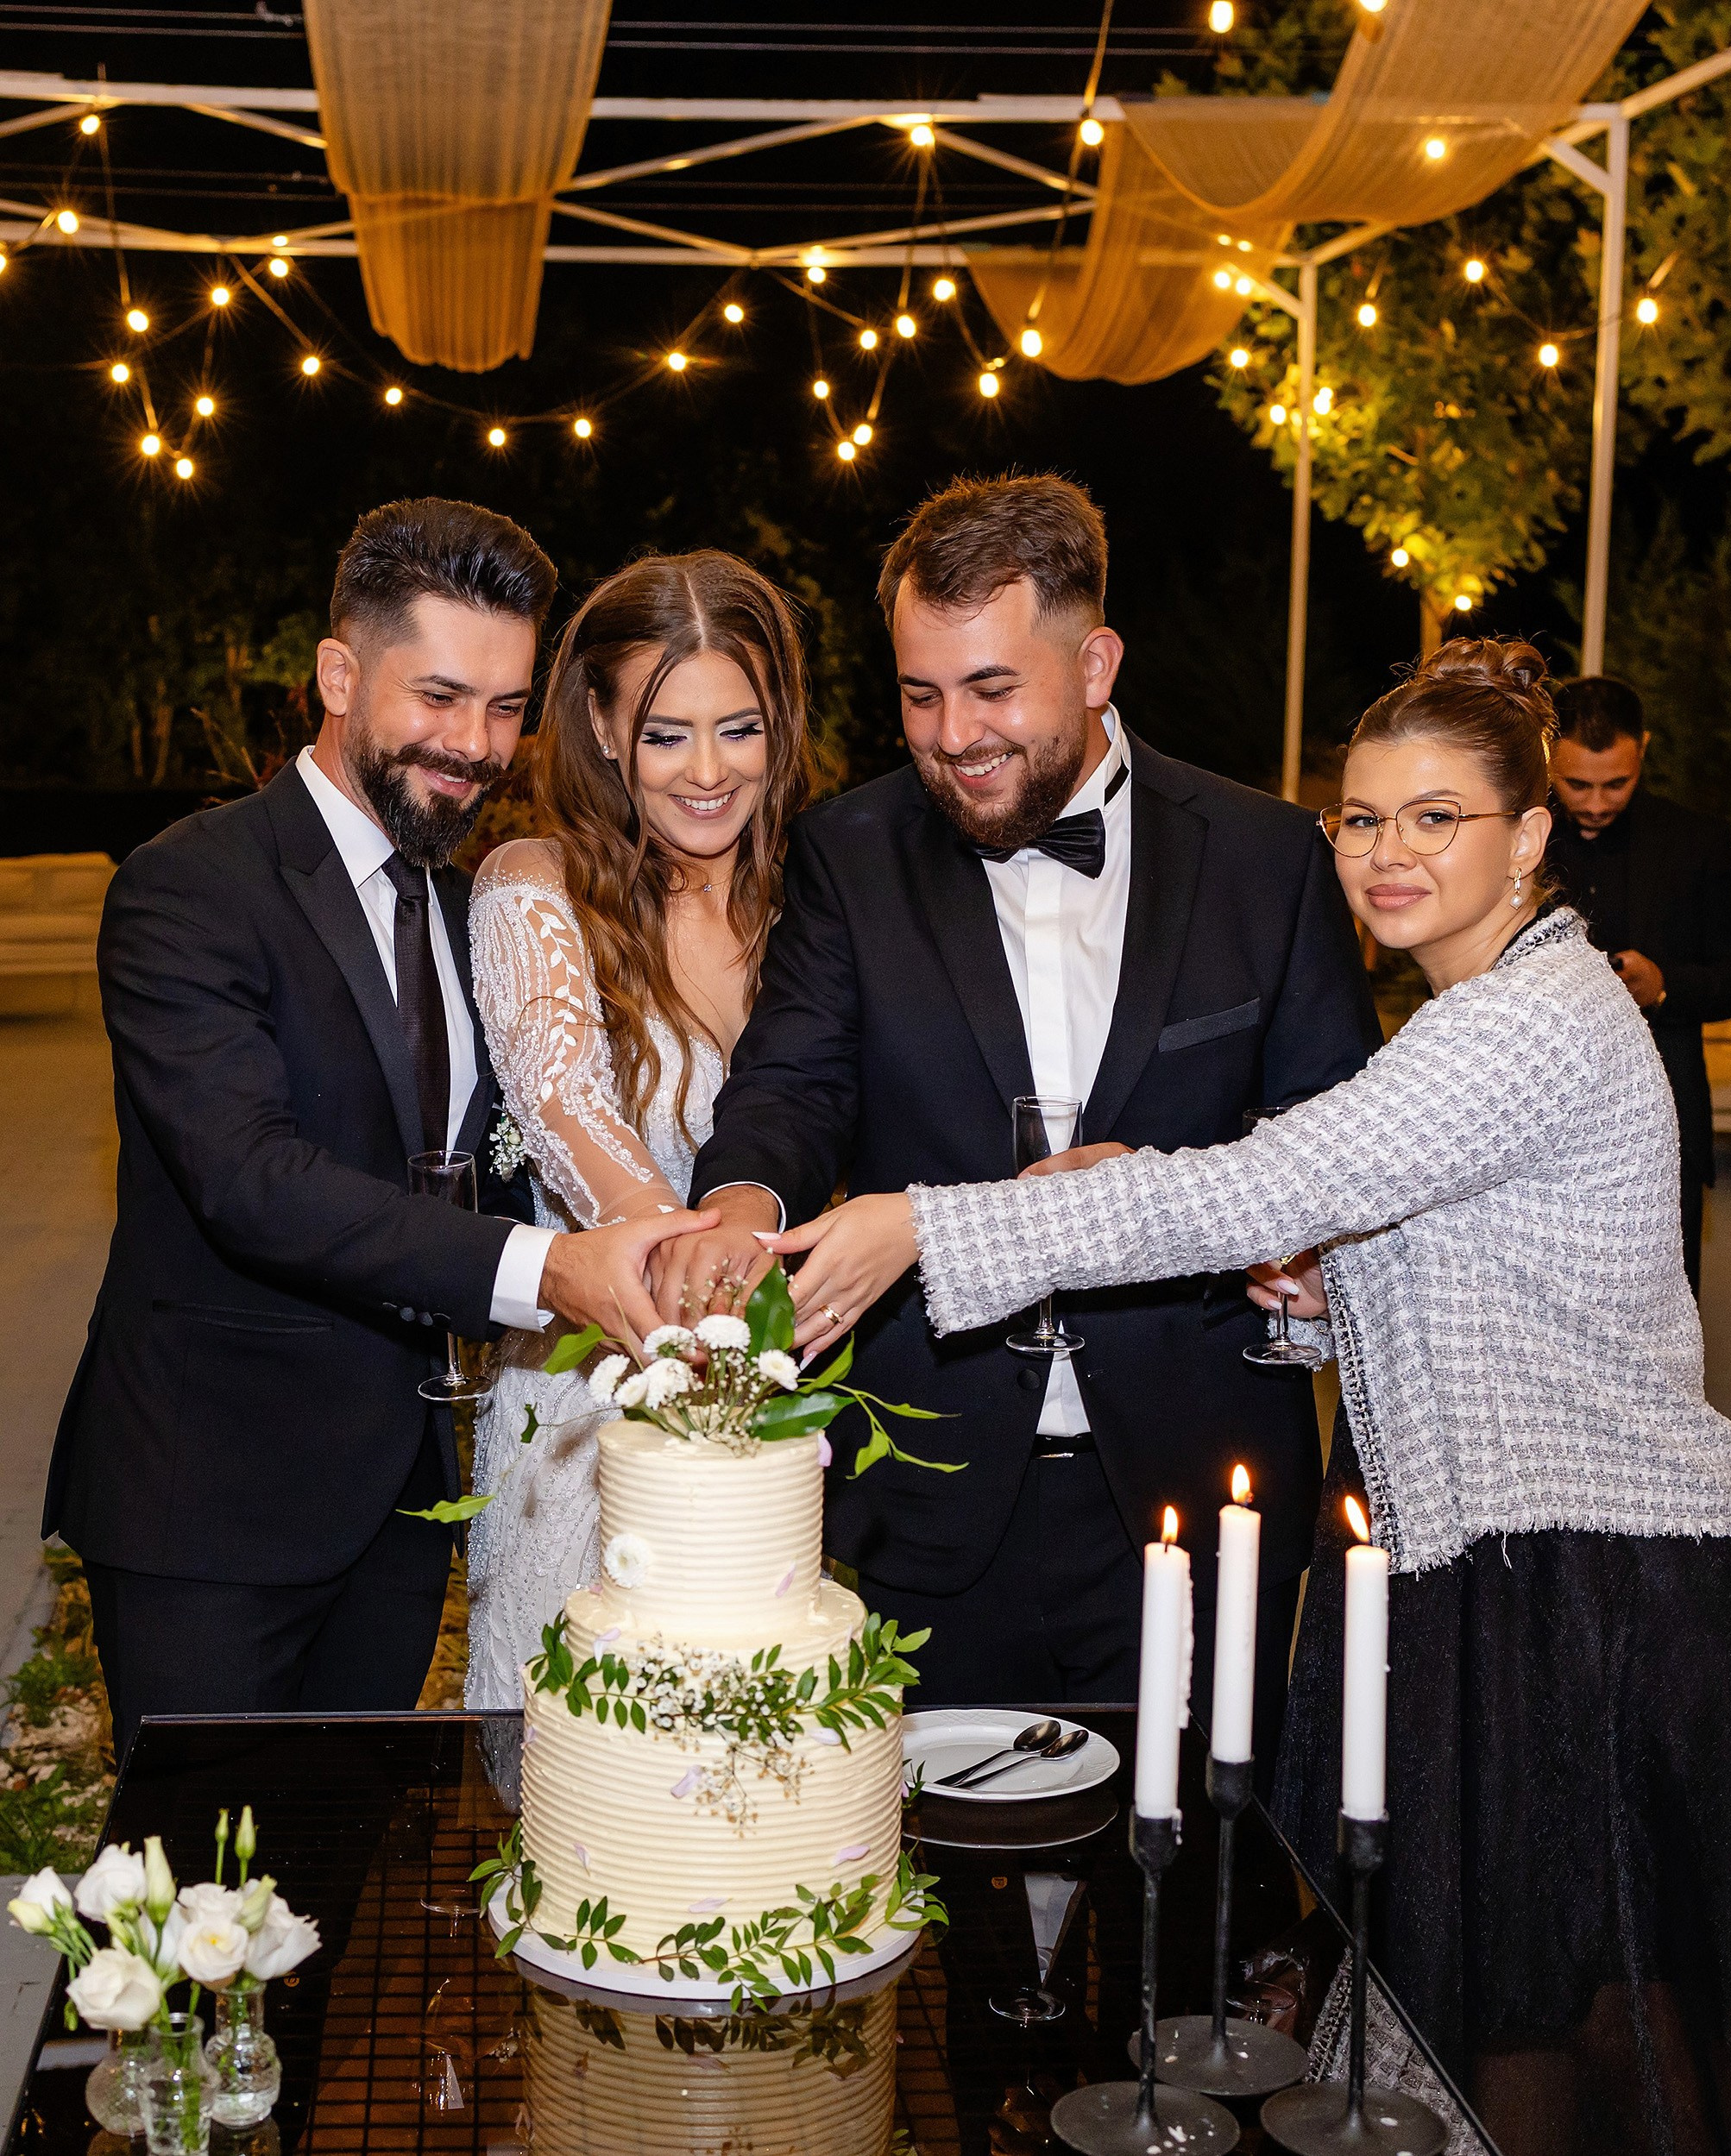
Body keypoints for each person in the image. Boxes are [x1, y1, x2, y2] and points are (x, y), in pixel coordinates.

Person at [771, 638, 1731, 2153]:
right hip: (1509, 1568)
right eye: (1360, 818)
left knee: (1587, 2035)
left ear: (1530, 835)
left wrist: (929, 1220)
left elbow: (1273, 1178)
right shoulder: (1481, 1011)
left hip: (1587, 1589)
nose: (1385, 853)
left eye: (1436, 817)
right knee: (1525, 2024)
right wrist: (1319, 1289)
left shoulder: (1526, 1019)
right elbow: (1398, 1250)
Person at [669, 473, 1381, 1748]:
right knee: (944, 1911)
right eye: (919, 692)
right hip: (930, 1487)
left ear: (1096, 662)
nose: (951, 734)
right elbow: (794, 1083)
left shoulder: (1268, 857)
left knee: (1188, 1896)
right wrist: (740, 1201)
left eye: (993, 688)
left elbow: (1334, 1135)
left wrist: (1311, 1254)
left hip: (1196, 1478)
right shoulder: (852, 848)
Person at [47, 498, 705, 1754]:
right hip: (210, 1508)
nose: (476, 744)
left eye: (508, 706)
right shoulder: (189, 887)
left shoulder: (478, 909)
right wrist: (546, 1269)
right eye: (442, 697)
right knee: (196, 1910)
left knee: (331, 1901)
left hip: (400, 1506)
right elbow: (252, 1178)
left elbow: (507, 1146)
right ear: (340, 675)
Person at [463, 551, 819, 1707]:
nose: (710, 771)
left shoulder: (819, 903)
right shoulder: (536, 887)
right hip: (587, 1408)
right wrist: (708, 1290)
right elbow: (566, 1110)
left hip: (784, 1417)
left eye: (740, 727)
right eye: (667, 733)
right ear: (605, 731)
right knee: (580, 1774)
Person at [1547, 675, 1731, 1293]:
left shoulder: (1694, 841)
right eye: (1576, 783)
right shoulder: (1518, 837)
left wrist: (1665, 987)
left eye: (1617, 782)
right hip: (1545, 1128)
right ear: (1547, 757)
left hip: (1663, 1131)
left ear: (1643, 748)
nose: (1594, 803)